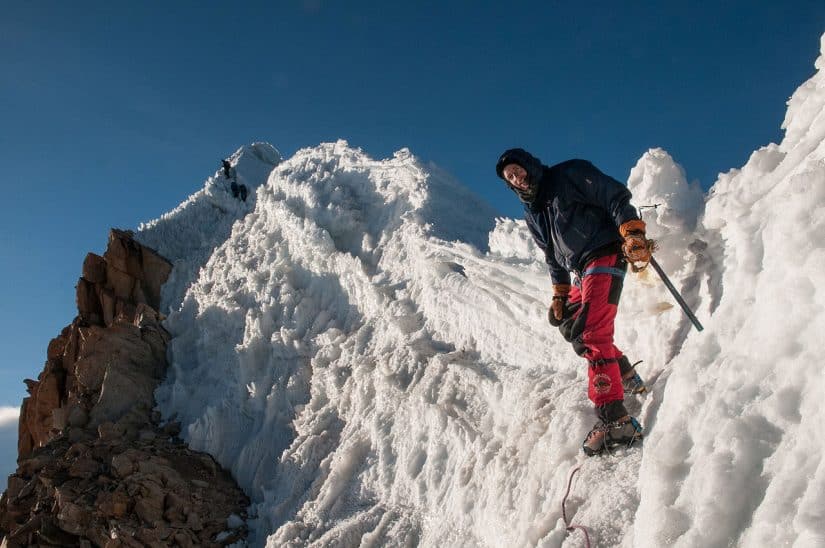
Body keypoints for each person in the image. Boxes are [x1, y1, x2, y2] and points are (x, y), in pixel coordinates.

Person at [495, 148, 652, 456]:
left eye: (517, 169)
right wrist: (559, 294)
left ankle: (616, 421)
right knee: (571, 326)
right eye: (510, 177)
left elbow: (614, 195)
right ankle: (623, 372)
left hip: (604, 253)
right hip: (580, 270)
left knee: (593, 333)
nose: (516, 177)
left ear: (528, 165)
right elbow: (552, 257)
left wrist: (632, 231)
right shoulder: (534, 211)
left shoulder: (568, 175)